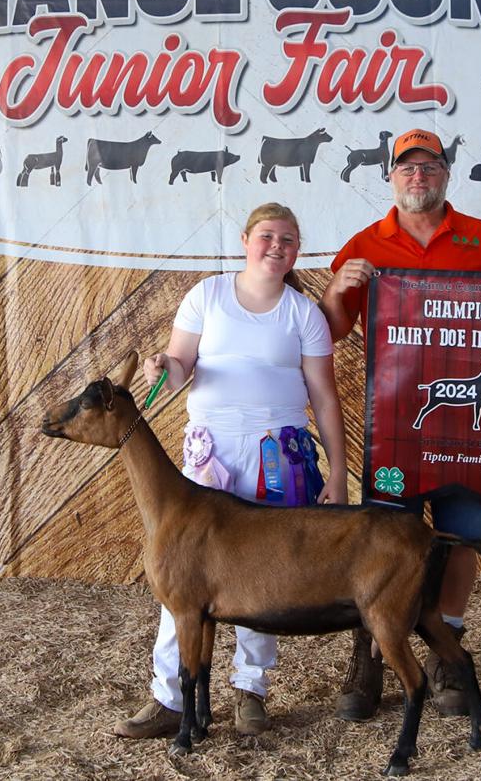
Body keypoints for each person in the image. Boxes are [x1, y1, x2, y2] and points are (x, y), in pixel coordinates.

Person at [320, 128, 481, 721]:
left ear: (445, 174)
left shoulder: (479, 237)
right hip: (398, 428)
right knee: (384, 541)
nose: (419, 177)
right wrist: (338, 289)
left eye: (430, 166)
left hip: (472, 441)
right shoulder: (366, 243)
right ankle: (371, 655)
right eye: (407, 168)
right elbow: (333, 331)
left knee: (464, 536)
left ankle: (447, 651)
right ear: (391, 177)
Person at [115, 202, 350, 741]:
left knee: (264, 575)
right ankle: (169, 696)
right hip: (211, 450)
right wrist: (160, 366)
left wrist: (337, 473)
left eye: (288, 240)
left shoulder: (304, 313)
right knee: (182, 575)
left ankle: (251, 689)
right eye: (267, 236)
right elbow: (178, 369)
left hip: (280, 453)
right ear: (246, 239)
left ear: (296, 251)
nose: (277, 246)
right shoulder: (208, 295)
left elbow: (325, 397)